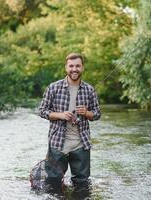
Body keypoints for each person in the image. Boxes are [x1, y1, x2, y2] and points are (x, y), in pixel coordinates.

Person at [38, 52, 101, 189]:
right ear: (66, 67)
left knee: (82, 184)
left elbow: (97, 114)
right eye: (71, 66)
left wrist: (86, 113)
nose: (74, 69)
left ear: (82, 67)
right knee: (53, 184)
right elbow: (42, 111)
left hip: (81, 143)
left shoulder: (89, 90)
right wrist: (60, 115)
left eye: (77, 66)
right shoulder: (53, 87)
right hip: (58, 143)